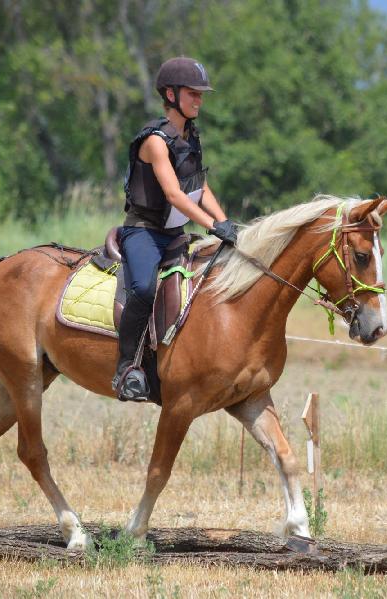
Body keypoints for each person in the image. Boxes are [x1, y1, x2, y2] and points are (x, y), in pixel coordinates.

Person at [114, 56, 238, 402]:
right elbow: (173, 194)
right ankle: (126, 369)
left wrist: (225, 222)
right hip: (144, 232)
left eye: (201, 94)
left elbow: (200, 187)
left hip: (174, 233)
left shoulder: (190, 136)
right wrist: (212, 225)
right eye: (192, 93)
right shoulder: (155, 141)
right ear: (170, 94)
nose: (199, 100)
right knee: (142, 288)